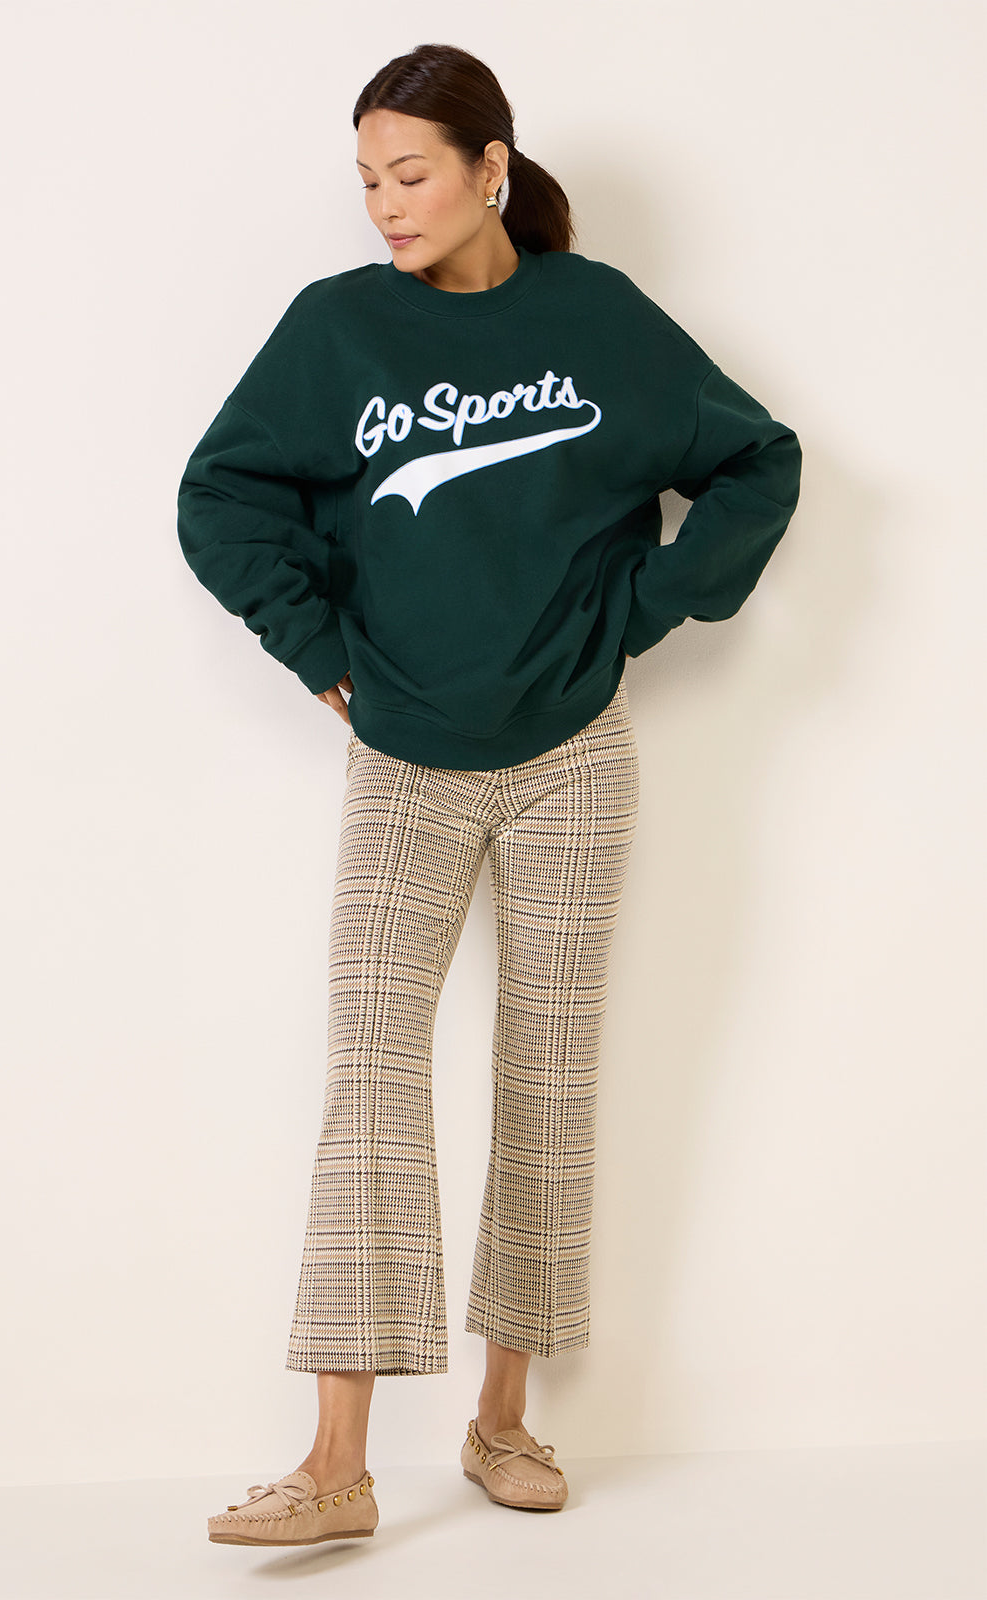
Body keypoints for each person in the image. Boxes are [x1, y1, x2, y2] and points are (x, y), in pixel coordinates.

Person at [177, 42, 802, 1550]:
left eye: (412, 174)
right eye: (367, 181)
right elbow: (222, 493)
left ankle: (504, 1418)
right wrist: (321, 653)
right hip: (405, 758)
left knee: (547, 1075)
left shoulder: (596, 320)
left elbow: (757, 461)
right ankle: (335, 1464)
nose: (387, 205)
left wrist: (639, 611)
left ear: (490, 169)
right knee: (370, 1076)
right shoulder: (337, 330)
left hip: (572, 759)